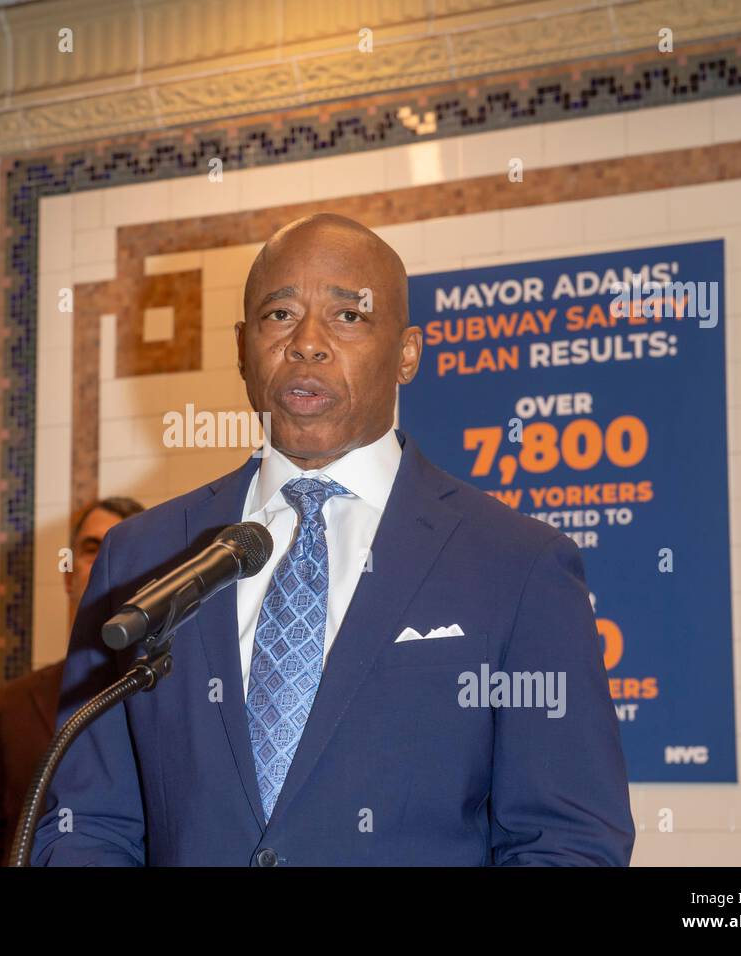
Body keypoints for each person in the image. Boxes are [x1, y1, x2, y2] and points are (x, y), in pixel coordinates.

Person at [33, 213, 635, 866]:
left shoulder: (517, 564)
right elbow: (84, 826)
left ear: (407, 353)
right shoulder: (141, 558)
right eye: (279, 315)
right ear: (242, 349)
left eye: (349, 316)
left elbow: (568, 840)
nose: (307, 345)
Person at [0, 496, 143, 866]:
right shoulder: (10, 706)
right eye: (92, 549)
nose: (105, 562)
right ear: (69, 576)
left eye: (121, 550)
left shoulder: (176, 698)